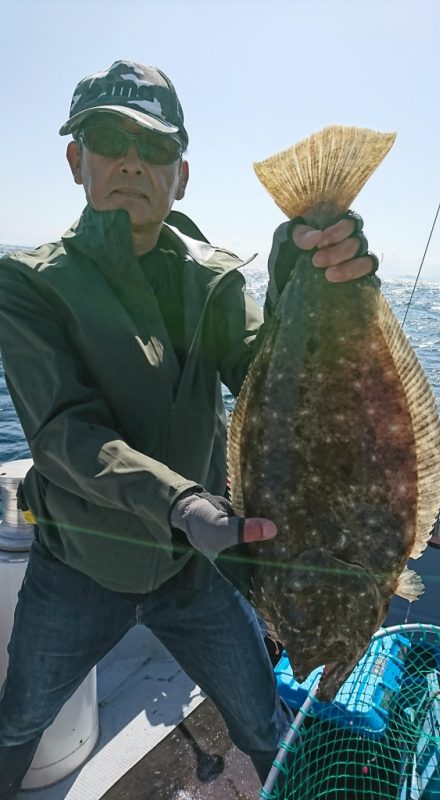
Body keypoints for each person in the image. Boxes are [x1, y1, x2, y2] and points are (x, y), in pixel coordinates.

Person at [0, 60, 378, 798]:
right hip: (79, 568)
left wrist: (313, 272)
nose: (133, 161)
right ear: (77, 160)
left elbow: (274, 379)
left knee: (262, 723)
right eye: (110, 137)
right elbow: (63, 432)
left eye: (157, 147)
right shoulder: (31, 282)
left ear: (183, 175)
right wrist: (181, 503)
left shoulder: (217, 279)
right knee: (20, 720)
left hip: (193, 573)